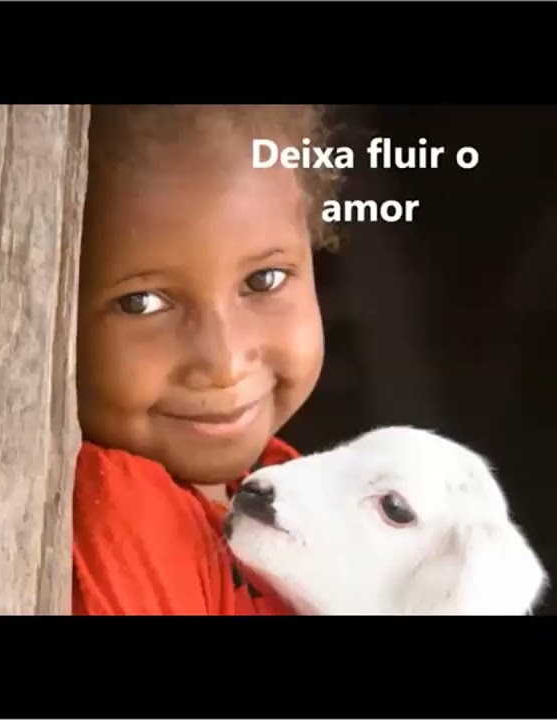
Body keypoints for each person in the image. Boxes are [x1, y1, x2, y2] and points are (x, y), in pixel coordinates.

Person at [72, 105, 344, 615]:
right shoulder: (119, 516)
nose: (224, 362)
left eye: (263, 280)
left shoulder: (285, 483)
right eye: (141, 303)